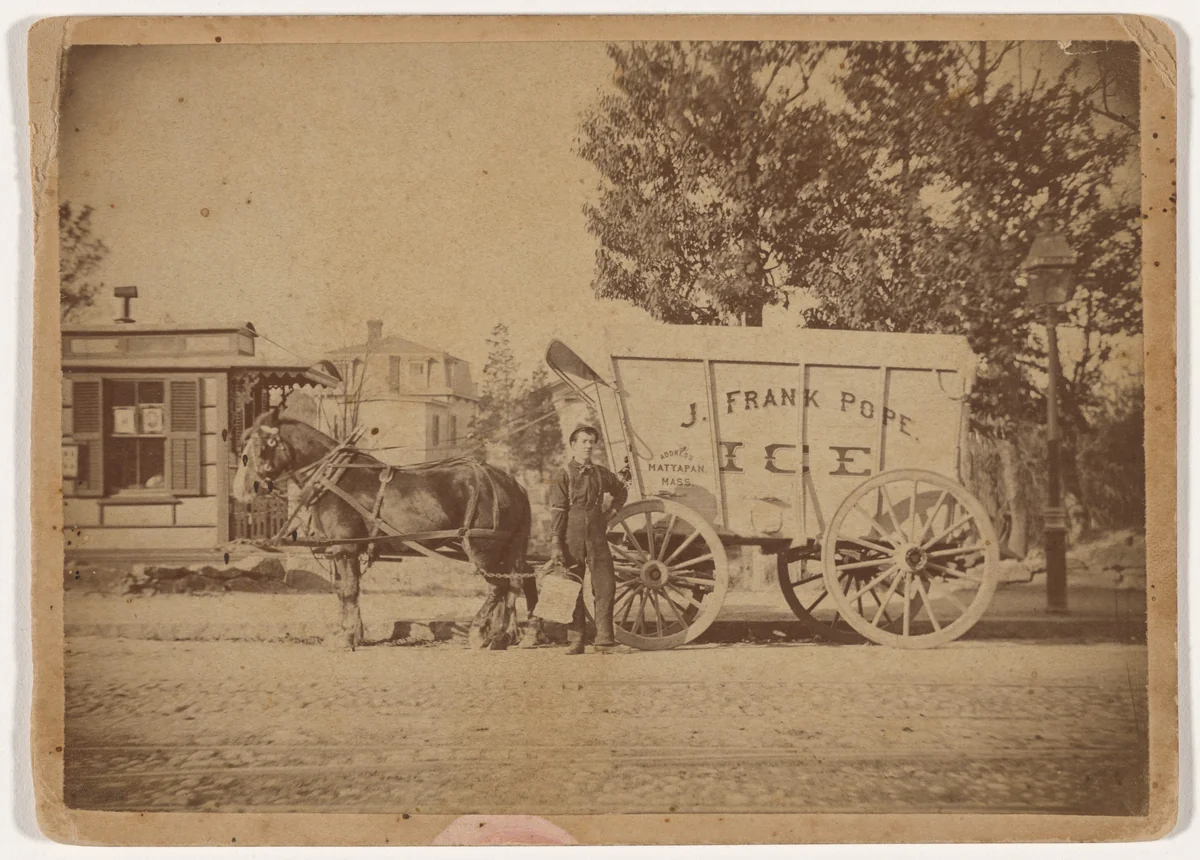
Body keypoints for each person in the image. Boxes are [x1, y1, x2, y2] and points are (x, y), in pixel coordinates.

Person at [548, 423, 628, 654]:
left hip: (597, 536)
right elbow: (558, 510)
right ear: (573, 445)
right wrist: (556, 544)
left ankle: (604, 639)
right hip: (570, 537)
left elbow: (621, 491)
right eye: (583, 441)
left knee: (605, 586)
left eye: (591, 442)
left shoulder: (601, 474)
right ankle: (576, 640)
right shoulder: (562, 474)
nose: (588, 446)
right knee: (571, 586)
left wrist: (610, 514)